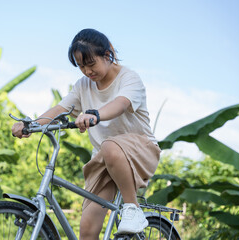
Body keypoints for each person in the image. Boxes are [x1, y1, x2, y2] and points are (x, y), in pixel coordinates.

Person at [11, 28, 161, 240]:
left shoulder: (129, 78)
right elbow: (60, 109)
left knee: (110, 146)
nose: (87, 71)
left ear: (108, 55)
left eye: (91, 64)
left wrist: (96, 115)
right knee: (88, 230)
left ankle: (132, 208)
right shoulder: (83, 85)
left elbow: (120, 103)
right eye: (81, 66)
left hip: (140, 150)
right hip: (103, 158)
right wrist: (30, 124)